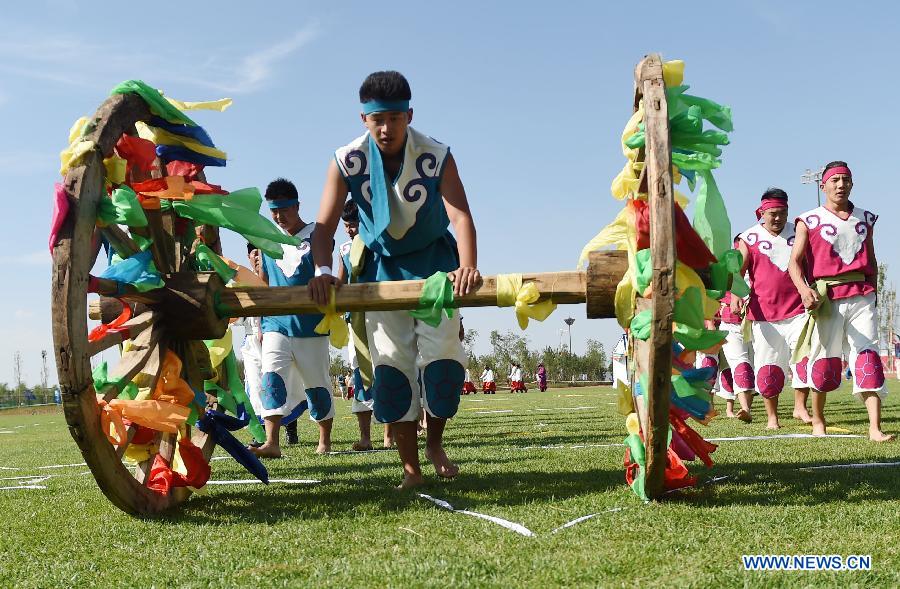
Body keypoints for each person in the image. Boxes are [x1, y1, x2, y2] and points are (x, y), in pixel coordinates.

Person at [308, 71, 480, 488]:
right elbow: (324, 227)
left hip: (436, 270)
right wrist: (323, 271)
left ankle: (435, 444)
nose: (386, 129)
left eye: (395, 119)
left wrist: (468, 265)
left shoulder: (436, 154)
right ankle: (410, 469)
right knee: (391, 371)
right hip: (381, 274)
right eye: (377, 119)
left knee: (442, 367)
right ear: (364, 119)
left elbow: (460, 216)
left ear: (410, 115)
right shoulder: (346, 160)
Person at [788, 161, 893, 441]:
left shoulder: (865, 218)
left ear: (852, 184)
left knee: (867, 355)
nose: (840, 184)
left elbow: (870, 259)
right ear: (823, 186)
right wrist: (803, 289)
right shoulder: (808, 220)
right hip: (827, 298)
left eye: (845, 179)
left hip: (861, 295)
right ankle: (818, 420)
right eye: (834, 180)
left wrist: (873, 291)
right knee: (824, 360)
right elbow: (794, 263)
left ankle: (875, 428)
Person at [250, 178, 335, 458]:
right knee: (271, 379)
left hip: (311, 326)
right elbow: (262, 283)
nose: (279, 216)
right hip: (276, 326)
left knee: (317, 384)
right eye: (274, 211)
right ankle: (272, 442)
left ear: (297, 206)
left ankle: (324, 440)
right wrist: (261, 323)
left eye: (284, 209)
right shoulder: (267, 240)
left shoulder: (317, 237)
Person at [735, 189, 811, 429]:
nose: (777, 218)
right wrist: (736, 295)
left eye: (782, 213)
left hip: (798, 310)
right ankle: (772, 418)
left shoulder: (799, 232)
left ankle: (800, 407)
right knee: (768, 368)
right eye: (772, 214)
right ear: (762, 212)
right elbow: (738, 271)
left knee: (804, 361)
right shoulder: (749, 238)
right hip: (763, 314)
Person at [718, 292, 754, 422]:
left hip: (759, 319)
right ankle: (745, 409)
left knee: (753, 366)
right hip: (731, 323)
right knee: (742, 363)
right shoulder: (728, 273)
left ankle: (747, 407)